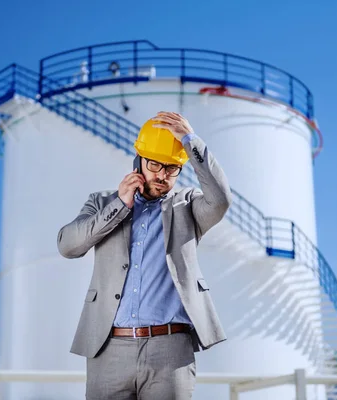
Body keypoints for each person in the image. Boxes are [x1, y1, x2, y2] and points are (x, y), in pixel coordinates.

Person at [57, 111, 232, 399]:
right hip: (108, 348)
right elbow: (67, 245)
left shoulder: (188, 207)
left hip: (170, 350)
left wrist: (191, 140)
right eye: (154, 165)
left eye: (172, 168)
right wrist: (120, 205)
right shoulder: (102, 202)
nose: (162, 175)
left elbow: (220, 200)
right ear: (138, 160)